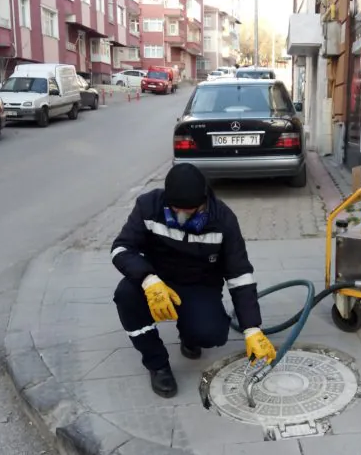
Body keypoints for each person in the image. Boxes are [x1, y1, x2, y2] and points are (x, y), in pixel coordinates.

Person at [110, 163, 277, 398]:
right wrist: (148, 279)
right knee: (126, 296)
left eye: (190, 210)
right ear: (167, 200)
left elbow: (239, 275)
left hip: (199, 283)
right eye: (176, 209)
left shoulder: (223, 220)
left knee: (211, 334)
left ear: (204, 200)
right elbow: (121, 249)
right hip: (156, 280)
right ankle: (157, 364)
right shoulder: (148, 206)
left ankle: (189, 336)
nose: (182, 215)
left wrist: (252, 328)